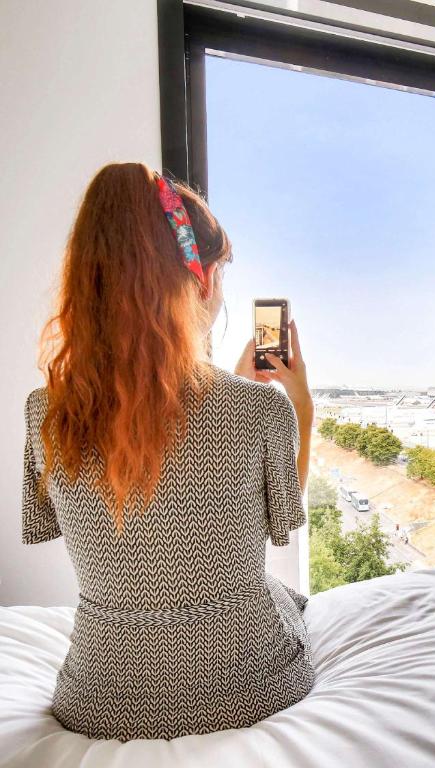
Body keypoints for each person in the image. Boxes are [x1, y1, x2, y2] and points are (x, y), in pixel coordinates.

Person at [21, 163, 315, 741]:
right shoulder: (258, 410)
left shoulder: (45, 412)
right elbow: (281, 522)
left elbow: (121, 529)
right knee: (286, 598)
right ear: (198, 280)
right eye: (221, 272)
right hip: (249, 685)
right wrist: (299, 406)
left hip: (98, 699)